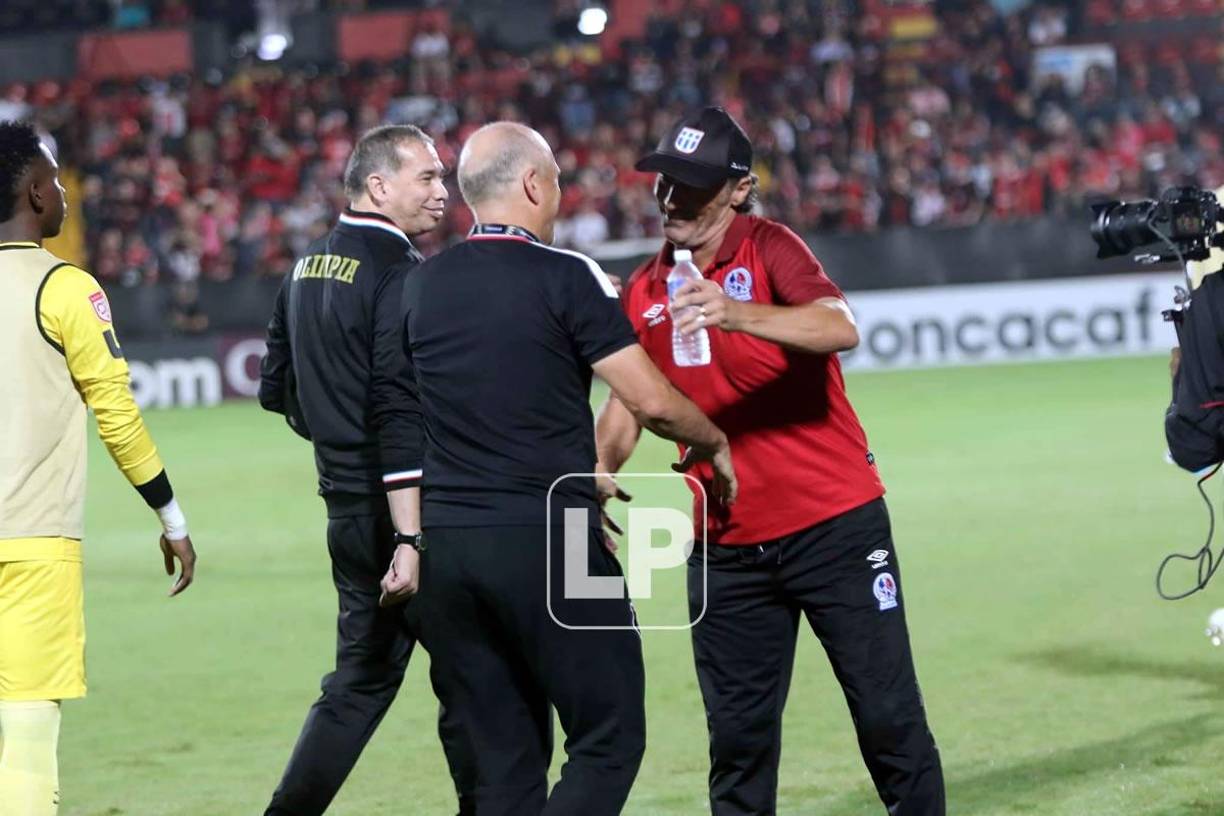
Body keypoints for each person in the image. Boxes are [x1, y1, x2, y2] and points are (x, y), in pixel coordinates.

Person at [596, 107, 945, 815]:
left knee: (888, 719)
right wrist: (597, 472)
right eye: (664, 183)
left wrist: (735, 311)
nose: (670, 200)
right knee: (738, 744)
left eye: (689, 186)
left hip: (835, 527)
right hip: (722, 549)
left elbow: (838, 325)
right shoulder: (642, 290)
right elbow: (629, 404)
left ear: (737, 189)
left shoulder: (769, 248)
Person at [403, 121, 737, 815]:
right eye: (554, 180)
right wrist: (714, 442)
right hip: (553, 539)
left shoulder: (417, 286)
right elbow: (648, 399)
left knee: (502, 765)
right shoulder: (568, 275)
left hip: (445, 550)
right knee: (609, 736)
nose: (558, 192)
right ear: (532, 184)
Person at [258, 124, 472, 815]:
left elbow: (274, 389)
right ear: (379, 186)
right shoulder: (398, 273)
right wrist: (409, 534)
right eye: (428, 177)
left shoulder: (305, 264)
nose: (443, 191)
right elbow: (396, 404)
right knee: (472, 679)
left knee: (358, 686)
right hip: (407, 515)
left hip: (345, 512)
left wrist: (332, 432)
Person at [0, 120, 197, 815]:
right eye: (55, 180)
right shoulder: (64, 289)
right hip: (32, 545)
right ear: (32, 192)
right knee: (26, 722)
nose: (62, 192)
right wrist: (170, 516)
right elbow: (116, 414)